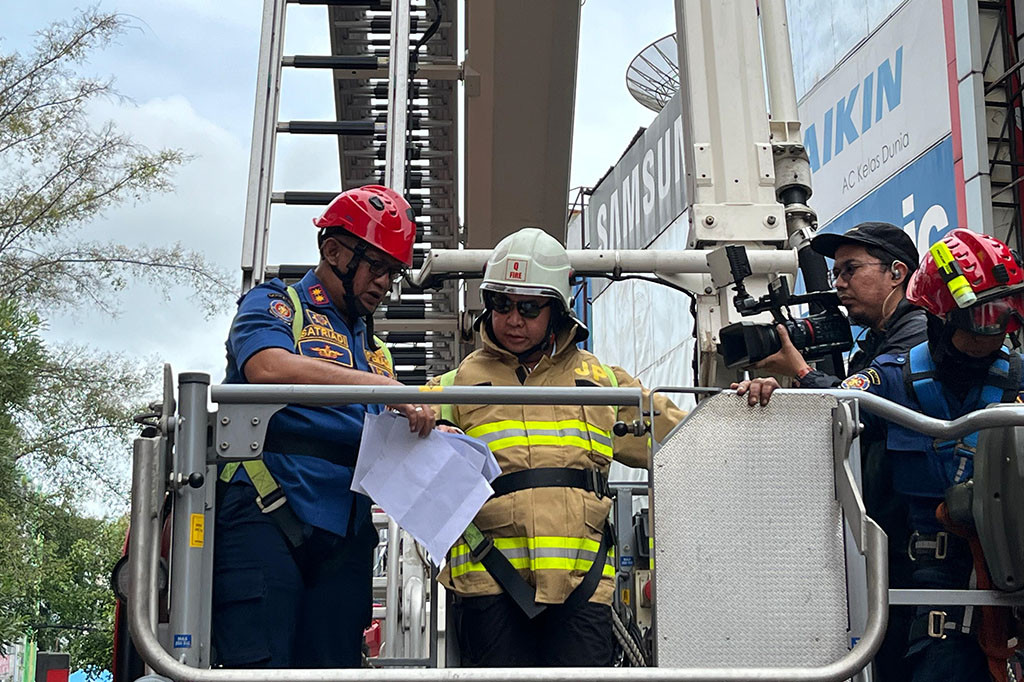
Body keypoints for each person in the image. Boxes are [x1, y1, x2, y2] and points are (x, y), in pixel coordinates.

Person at [739, 228, 1024, 681]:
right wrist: (777, 393)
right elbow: (829, 409)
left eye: (1006, 313)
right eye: (982, 315)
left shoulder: (1019, 380)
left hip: (1015, 570)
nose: (995, 330)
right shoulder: (892, 376)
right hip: (933, 580)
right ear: (940, 315)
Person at [428, 227, 686, 667]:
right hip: (489, 581)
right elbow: (402, 465)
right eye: (501, 304)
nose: (513, 319)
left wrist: (743, 407)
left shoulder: (604, 383)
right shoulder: (450, 389)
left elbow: (687, 442)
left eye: (529, 307)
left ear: (558, 308)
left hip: (582, 585)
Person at [212, 185, 436, 668]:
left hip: (345, 535)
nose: (383, 283)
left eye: (392, 272)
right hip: (265, 512)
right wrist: (386, 390)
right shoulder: (276, 304)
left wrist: (435, 434)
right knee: (257, 672)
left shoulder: (376, 352)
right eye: (375, 266)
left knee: (333, 673)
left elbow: (388, 438)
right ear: (332, 250)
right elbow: (267, 368)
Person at [735, 220, 927, 680]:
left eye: (849, 269)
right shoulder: (877, 341)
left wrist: (799, 371)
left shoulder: (917, 332)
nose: (838, 282)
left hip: (911, 543)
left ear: (896, 273)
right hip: (883, 538)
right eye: (835, 271)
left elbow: (859, 403)